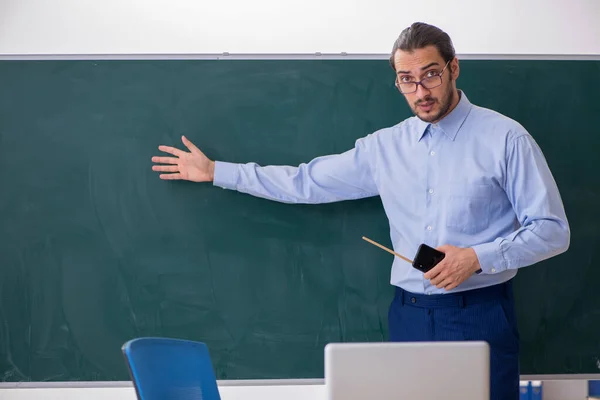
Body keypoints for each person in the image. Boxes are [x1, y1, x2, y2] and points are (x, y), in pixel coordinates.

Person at [151, 22, 570, 400]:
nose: (421, 91)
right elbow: (305, 183)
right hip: (408, 316)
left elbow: (552, 230)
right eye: (407, 80)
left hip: (480, 312)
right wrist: (216, 172)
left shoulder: (506, 139)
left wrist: (477, 257)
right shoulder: (384, 148)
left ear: (453, 68)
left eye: (430, 75)